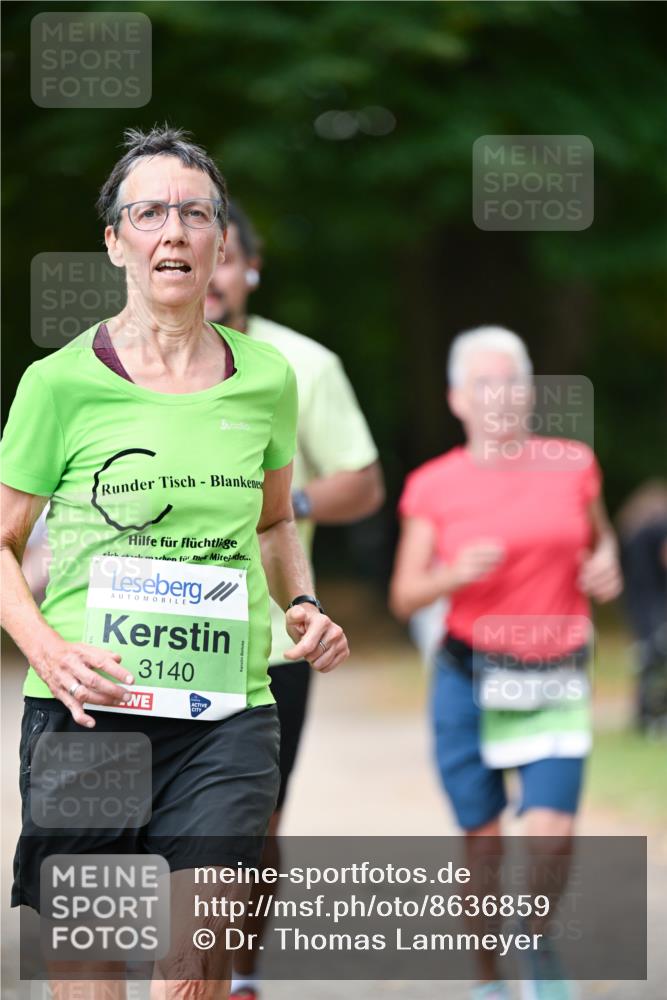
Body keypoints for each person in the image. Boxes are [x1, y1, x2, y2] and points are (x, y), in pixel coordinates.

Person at [0, 125, 350, 1000]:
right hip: (89, 716)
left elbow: (274, 523)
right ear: (116, 241)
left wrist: (299, 602)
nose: (174, 231)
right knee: (90, 966)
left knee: (194, 969)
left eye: (195, 213)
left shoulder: (267, 376)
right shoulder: (58, 384)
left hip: (225, 713)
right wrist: (49, 651)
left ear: (220, 241)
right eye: (148, 212)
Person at [390, 326, 622, 1000]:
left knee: (550, 839)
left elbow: (598, 545)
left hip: (552, 671)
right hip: (468, 677)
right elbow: (405, 594)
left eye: (512, 382)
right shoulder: (433, 485)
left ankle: (536, 943)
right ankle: (489, 979)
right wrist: (452, 573)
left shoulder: (572, 463)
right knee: (484, 849)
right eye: (485, 384)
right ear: (457, 399)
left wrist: (604, 567)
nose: (501, 397)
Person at [203, 201, 384, 999]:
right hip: (155, 631)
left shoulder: (300, 364)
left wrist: (284, 507)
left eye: (225, 257)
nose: (209, 274)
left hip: (270, 639)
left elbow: (363, 482)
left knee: (252, 820)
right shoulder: (118, 363)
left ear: (250, 267)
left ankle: (240, 974)